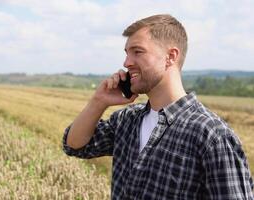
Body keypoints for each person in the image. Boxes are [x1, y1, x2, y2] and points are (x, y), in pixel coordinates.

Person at [62, 14, 254, 199]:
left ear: (171, 56)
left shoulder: (211, 135)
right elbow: (75, 146)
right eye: (127, 54)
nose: (126, 63)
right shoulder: (127, 120)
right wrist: (99, 101)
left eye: (137, 52)